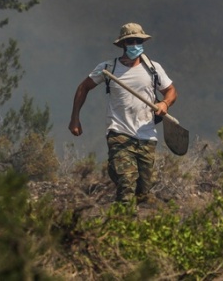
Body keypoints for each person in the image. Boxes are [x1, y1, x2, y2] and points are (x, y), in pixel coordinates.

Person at [69, 23, 177, 204]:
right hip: (119, 132)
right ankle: (120, 220)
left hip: (147, 135)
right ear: (123, 44)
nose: (134, 44)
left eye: (138, 41)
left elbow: (171, 91)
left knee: (143, 191)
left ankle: (115, 172)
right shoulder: (108, 68)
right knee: (127, 183)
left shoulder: (153, 69)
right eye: (130, 41)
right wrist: (75, 119)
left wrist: (165, 104)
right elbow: (83, 87)